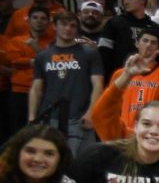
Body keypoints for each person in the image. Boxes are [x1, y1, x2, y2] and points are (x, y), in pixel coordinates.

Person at [28, 12, 104, 153]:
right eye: (63, 24)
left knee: (80, 165)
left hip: (79, 117)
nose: (68, 29)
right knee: (51, 161)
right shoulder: (42, 56)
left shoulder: (90, 53)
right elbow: (36, 88)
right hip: (50, 117)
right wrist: (32, 117)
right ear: (54, 26)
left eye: (73, 26)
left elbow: (98, 84)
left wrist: (91, 112)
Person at [97, 0, 159, 79]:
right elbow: (103, 53)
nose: (125, 2)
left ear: (142, 0)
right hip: (120, 78)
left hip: (148, 79)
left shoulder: (155, 27)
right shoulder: (114, 22)